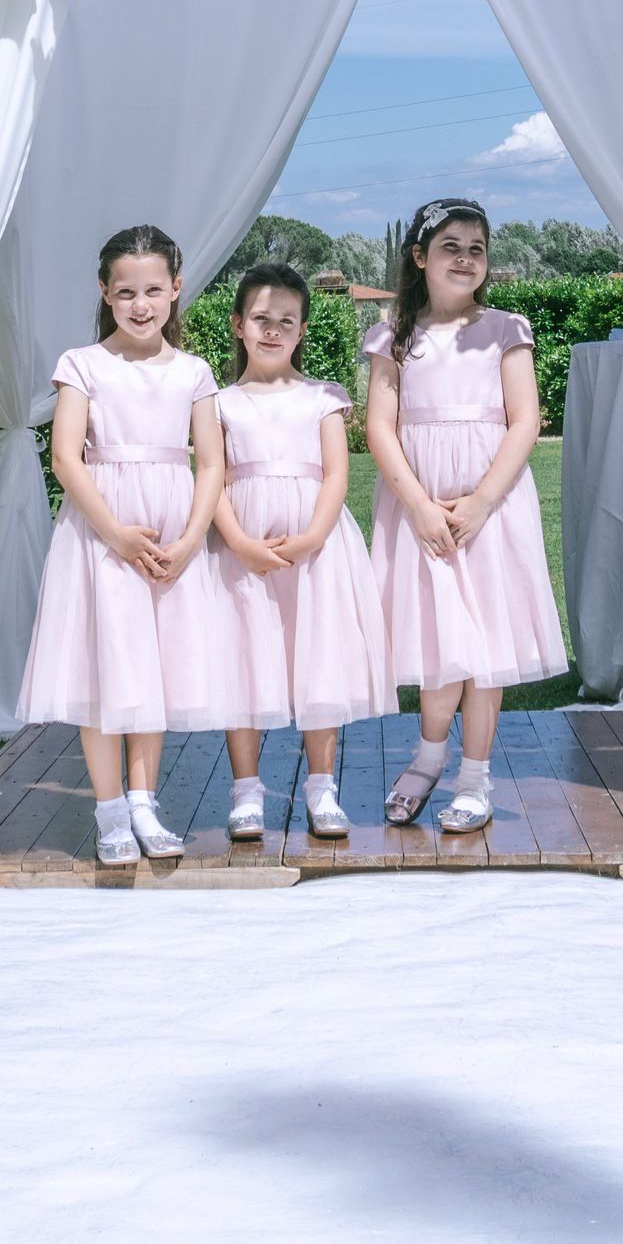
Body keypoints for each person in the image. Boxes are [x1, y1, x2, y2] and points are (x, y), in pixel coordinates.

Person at [18, 222, 228, 867]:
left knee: (153, 666)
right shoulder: (83, 365)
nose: (141, 305)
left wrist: (190, 540)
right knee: (105, 663)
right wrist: (114, 533)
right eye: (127, 292)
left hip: (170, 540)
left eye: (153, 290)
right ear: (105, 292)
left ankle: (143, 802)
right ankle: (109, 811)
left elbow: (211, 463)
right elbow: (65, 457)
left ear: (176, 289)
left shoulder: (193, 371)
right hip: (101, 537)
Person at [363, 198, 565, 832]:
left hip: (490, 510)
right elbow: (379, 428)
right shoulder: (395, 337)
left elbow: (525, 421)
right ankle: (428, 758)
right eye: (451, 247)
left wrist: (480, 502)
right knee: (437, 638)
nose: (466, 259)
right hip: (419, 512)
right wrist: (420, 507)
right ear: (420, 257)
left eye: (477, 248)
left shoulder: (506, 330)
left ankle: (475, 777)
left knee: (485, 644)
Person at [212, 262, 395, 844]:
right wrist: (239, 542)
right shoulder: (218, 403)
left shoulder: (323, 398)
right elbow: (211, 478)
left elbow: (336, 473)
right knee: (244, 656)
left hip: (316, 549)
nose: (273, 330)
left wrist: (314, 535)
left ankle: (321, 787)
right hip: (243, 547)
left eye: (286, 321)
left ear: (302, 330)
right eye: (261, 319)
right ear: (238, 325)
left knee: (319, 657)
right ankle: (246, 790)